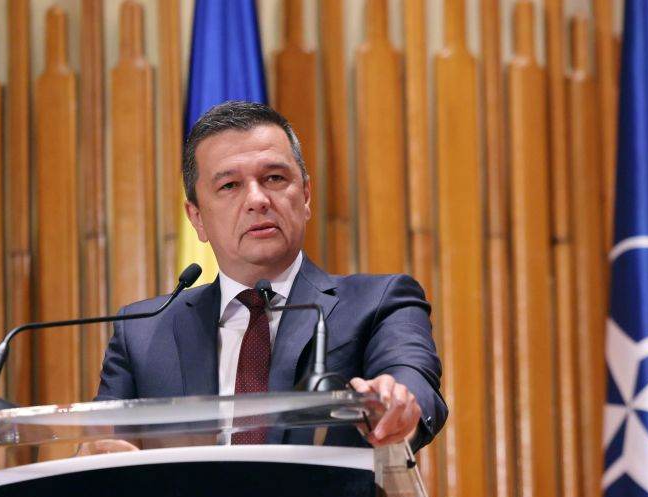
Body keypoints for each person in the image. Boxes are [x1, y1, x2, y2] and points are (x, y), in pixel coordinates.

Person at [95, 100, 446, 451]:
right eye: (229, 185)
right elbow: (103, 446)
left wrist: (399, 404)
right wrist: (90, 456)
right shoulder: (141, 334)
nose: (257, 199)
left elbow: (412, 379)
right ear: (197, 218)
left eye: (274, 178)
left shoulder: (379, 303)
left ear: (305, 195)